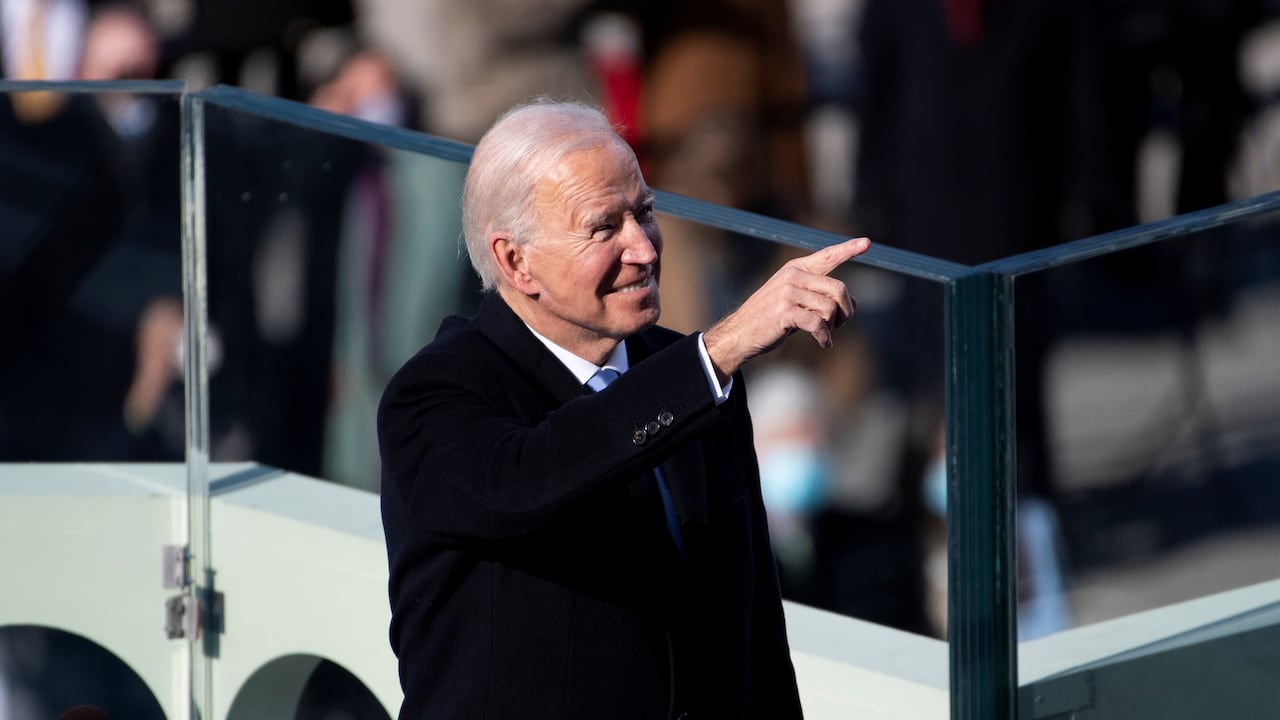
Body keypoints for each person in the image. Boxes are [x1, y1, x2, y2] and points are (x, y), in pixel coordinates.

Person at [377, 99, 869, 718]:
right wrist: (716, 352)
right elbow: (530, 481)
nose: (642, 247)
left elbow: (753, 628)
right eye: (603, 228)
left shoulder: (691, 375)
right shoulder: (435, 395)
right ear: (515, 261)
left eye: (644, 212)